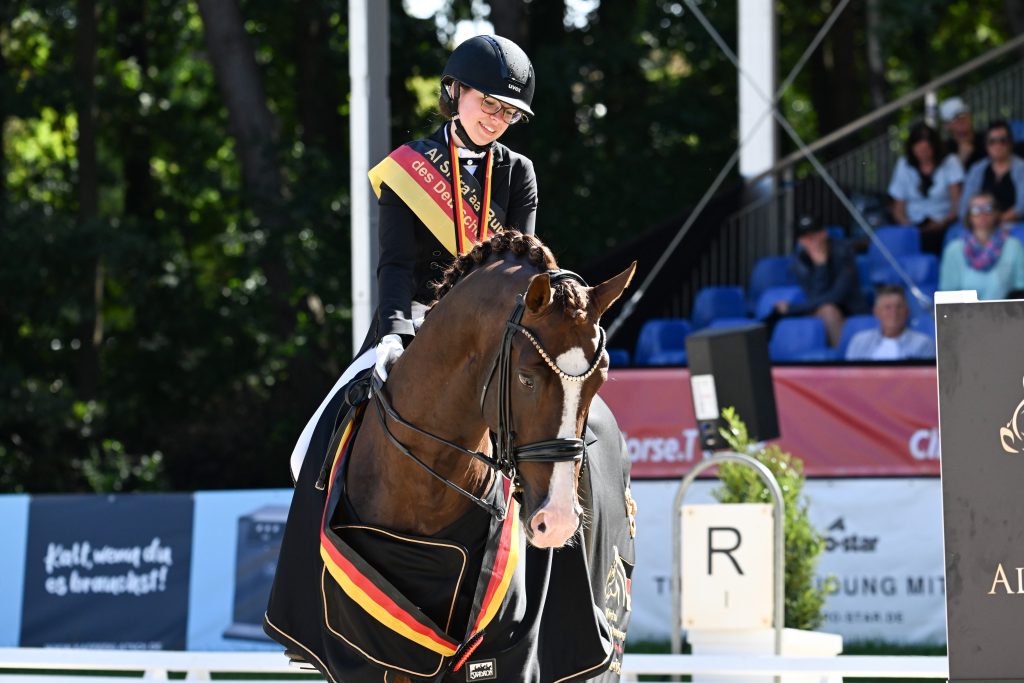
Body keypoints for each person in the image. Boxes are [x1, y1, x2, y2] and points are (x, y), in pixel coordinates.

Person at [288, 34, 539, 481]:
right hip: (415, 321)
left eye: (510, 111)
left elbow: (518, 270)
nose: (498, 119)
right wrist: (393, 334)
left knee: (555, 445)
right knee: (310, 448)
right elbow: (396, 265)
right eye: (490, 103)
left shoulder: (518, 172)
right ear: (455, 91)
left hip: (492, 333)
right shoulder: (409, 168)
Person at [775, 214, 867, 347]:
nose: (812, 240)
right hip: (819, 312)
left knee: (828, 311)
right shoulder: (801, 260)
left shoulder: (843, 252)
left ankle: (843, 363)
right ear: (800, 241)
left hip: (852, 311)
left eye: (815, 234)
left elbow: (836, 296)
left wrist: (792, 308)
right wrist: (821, 266)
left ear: (824, 233)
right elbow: (815, 297)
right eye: (806, 237)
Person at [888, 122, 964, 254]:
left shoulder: (950, 161)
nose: (923, 154)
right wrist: (910, 227)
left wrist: (943, 222)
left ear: (935, 147)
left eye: (927, 149)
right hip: (913, 225)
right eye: (919, 149)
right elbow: (898, 208)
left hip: (943, 224)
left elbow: (956, 203)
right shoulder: (904, 164)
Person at [941, 191, 1024, 300]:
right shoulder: (953, 249)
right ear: (969, 216)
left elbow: (1020, 289)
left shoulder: (1014, 246)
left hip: (1005, 313)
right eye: (976, 210)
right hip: (965, 314)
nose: (982, 214)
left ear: (996, 213)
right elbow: (947, 294)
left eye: (988, 208)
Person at [959, 120, 1024, 226]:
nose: (997, 145)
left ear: (1011, 143)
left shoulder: (1021, 168)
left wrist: (995, 222)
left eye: (1002, 140)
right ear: (986, 145)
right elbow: (965, 206)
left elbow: (1022, 206)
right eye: (992, 141)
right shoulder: (977, 169)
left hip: (1014, 226)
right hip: (979, 227)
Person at [845, 285, 934, 361]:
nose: (894, 312)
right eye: (888, 307)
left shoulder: (923, 343)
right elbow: (848, 376)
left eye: (899, 307)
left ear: (907, 312)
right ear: (876, 312)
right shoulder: (859, 341)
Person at [940, 97, 986, 170]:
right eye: (955, 118)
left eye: (964, 114)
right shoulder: (944, 150)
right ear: (946, 125)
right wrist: (961, 161)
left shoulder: (988, 139)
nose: (961, 119)